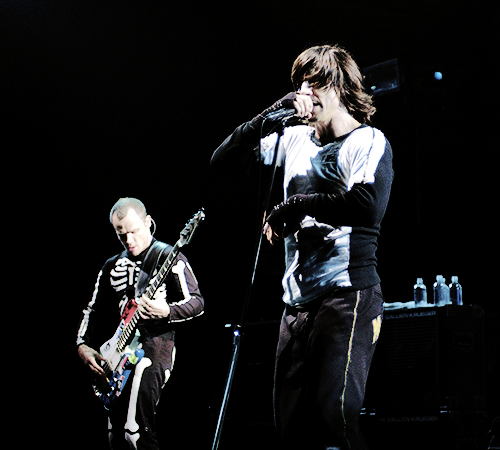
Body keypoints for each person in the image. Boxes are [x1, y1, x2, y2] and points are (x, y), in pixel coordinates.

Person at [211, 45, 393, 449]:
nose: (305, 93)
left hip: (348, 297)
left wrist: (295, 206)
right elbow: (222, 162)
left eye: (315, 83)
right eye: (300, 85)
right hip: (295, 305)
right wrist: (268, 115)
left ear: (340, 87)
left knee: (335, 416)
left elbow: (367, 206)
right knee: (290, 429)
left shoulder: (367, 141)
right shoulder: (291, 138)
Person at [77, 197, 204, 450]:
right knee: (115, 436)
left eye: (134, 232)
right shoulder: (111, 265)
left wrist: (166, 310)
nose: (129, 241)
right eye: (121, 235)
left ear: (148, 223)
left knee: (135, 433)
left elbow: (198, 303)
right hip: (119, 353)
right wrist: (82, 345)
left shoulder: (169, 257)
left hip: (155, 347)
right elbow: (91, 309)